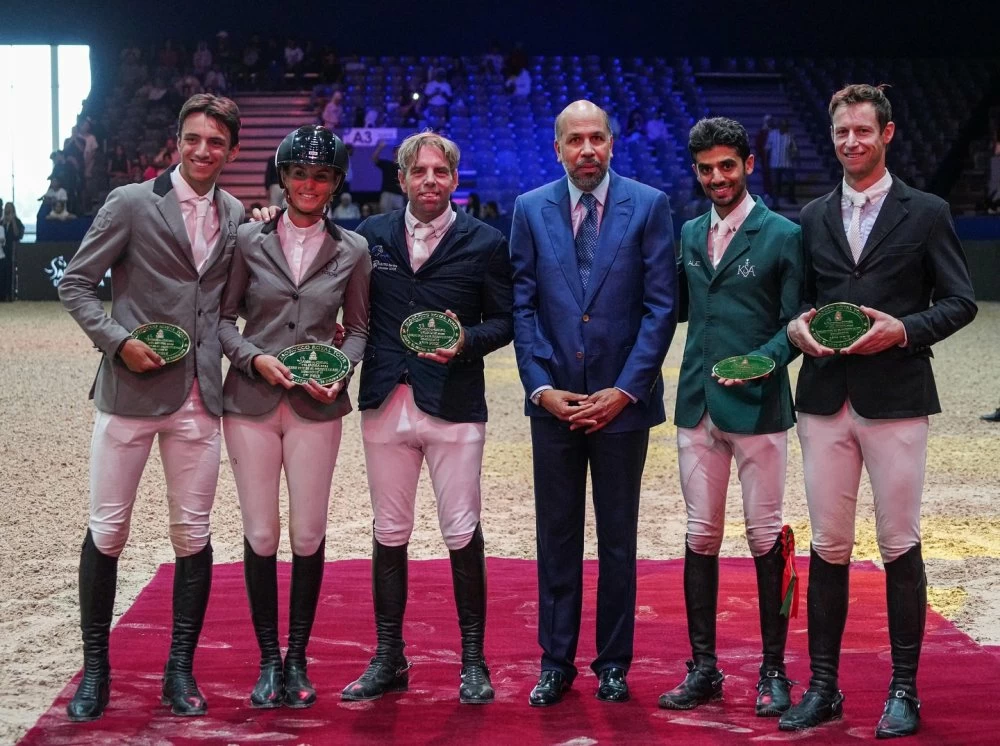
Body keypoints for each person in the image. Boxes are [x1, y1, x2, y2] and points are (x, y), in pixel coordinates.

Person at [778, 84, 977, 738]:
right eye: (842, 133)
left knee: (899, 543)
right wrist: (798, 329)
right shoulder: (808, 217)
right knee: (828, 545)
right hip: (824, 399)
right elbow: (796, 305)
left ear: (886, 135)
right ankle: (825, 687)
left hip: (896, 399)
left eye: (864, 131)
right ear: (832, 137)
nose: (852, 143)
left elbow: (960, 302)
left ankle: (903, 690)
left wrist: (905, 330)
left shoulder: (927, 212)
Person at [58, 94, 245, 722]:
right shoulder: (132, 202)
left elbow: (229, 305)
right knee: (108, 532)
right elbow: (76, 283)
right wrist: (118, 343)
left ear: (231, 150)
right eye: (193, 139)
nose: (202, 151)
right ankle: (97, 672)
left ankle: (179, 671)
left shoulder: (237, 212)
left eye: (215, 142)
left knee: (192, 536)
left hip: (201, 397)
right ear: (177, 141)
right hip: (131, 394)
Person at [509, 100, 678, 706]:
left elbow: (662, 307)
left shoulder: (650, 206)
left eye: (597, 139)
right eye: (575, 140)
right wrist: (540, 387)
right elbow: (522, 307)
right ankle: (556, 661)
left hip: (622, 405)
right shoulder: (529, 209)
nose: (587, 149)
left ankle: (613, 662)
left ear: (612, 143)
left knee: (617, 538)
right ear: (557, 148)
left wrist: (626, 389)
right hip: (553, 402)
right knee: (556, 537)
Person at [340, 131, 513, 705]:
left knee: (461, 530)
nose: (431, 181)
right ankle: (389, 657)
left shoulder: (486, 242)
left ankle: (472, 662)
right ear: (403, 179)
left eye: (441, 172)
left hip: (455, 406)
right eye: (420, 173)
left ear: (454, 179)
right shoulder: (370, 237)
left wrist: (465, 342)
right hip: (386, 401)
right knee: (390, 532)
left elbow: (505, 322)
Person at [220, 125, 371, 709]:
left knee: (307, 533)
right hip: (251, 403)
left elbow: (357, 328)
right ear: (283, 177)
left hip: (316, 405)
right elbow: (222, 321)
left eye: (322, 176)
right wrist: (253, 359)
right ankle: (267, 660)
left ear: (334, 184)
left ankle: (299, 658)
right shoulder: (246, 240)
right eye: (300, 173)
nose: (309, 184)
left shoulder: (352, 249)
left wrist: (342, 370)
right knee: (260, 532)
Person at [657, 117, 803, 717]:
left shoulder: (783, 235)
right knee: (700, 536)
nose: (717, 177)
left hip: (761, 407)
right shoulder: (689, 233)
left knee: (765, 537)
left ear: (748, 164)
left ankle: (774, 672)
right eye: (706, 168)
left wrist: (762, 362)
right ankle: (703, 669)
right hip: (696, 404)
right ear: (696, 171)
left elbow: (798, 322)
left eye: (727, 166)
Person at [766, 120, 797, 208]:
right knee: (775, 184)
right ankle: (775, 203)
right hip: (774, 163)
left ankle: (790, 197)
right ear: (779, 126)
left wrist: (795, 156)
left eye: (786, 126)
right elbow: (767, 148)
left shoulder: (790, 136)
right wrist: (766, 161)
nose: (784, 128)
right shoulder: (772, 134)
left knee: (791, 181)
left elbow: (794, 149)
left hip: (787, 163)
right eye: (782, 126)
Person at [372, 140, 406, 214]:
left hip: (398, 195)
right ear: (393, 153)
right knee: (385, 217)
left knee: (399, 218)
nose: (399, 154)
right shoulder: (387, 164)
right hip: (386, 194)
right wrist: (380, 147)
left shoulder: (404, 168)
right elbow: (374, 159)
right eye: (397, 152)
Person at [1, 202, 24, 302]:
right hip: (2, 252)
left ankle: (11, 295)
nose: (7, 210)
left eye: (9, 209)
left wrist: (13, 220)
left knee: (11, 273)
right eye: (6, 208)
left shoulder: (18, 222)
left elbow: (18, 235)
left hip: (12, 251)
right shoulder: (1, 223)